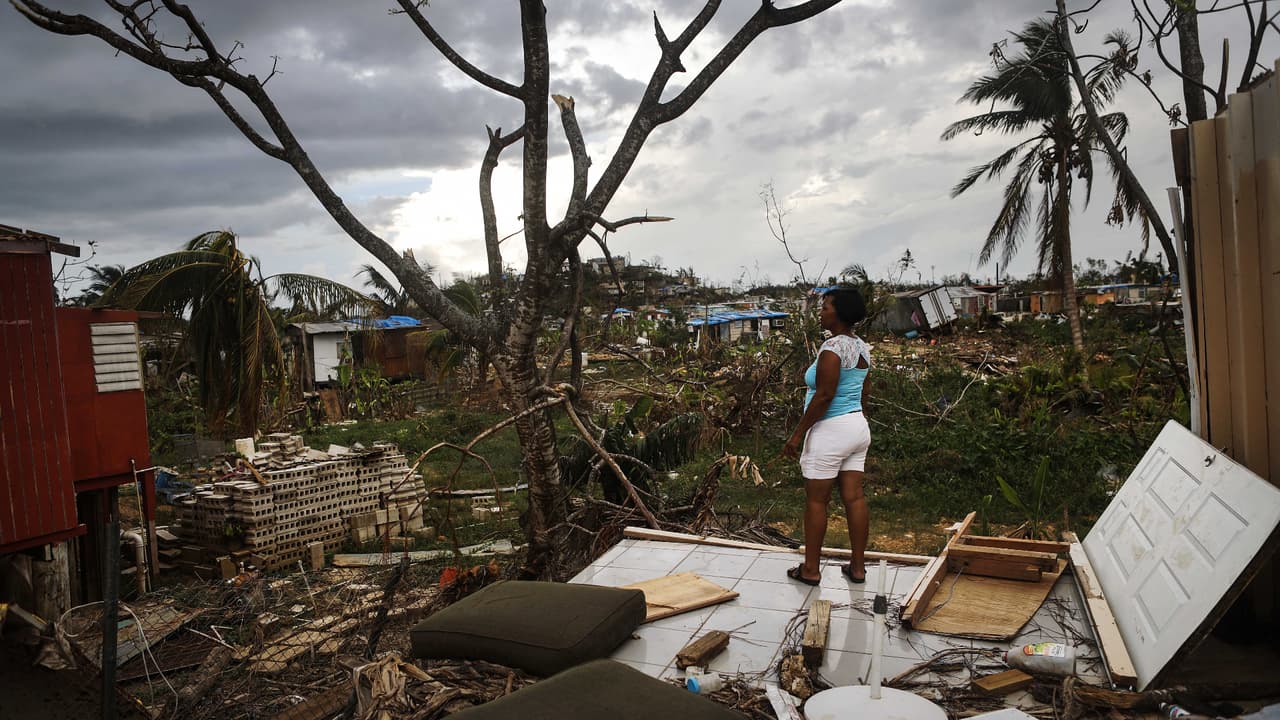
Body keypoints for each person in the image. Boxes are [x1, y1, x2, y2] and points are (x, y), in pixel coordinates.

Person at [781, 287, 872, 585]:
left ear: (840, 313)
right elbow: (864, 391)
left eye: (825, 307)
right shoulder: (862, 347)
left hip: (831, 430)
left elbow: (824, 395)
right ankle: (857, 568)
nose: (821, 312)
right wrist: (856, 421)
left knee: (817, 501)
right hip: (857, 426)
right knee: (854, 497)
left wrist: (797, 435)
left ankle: (810, 569)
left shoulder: (833, 348)